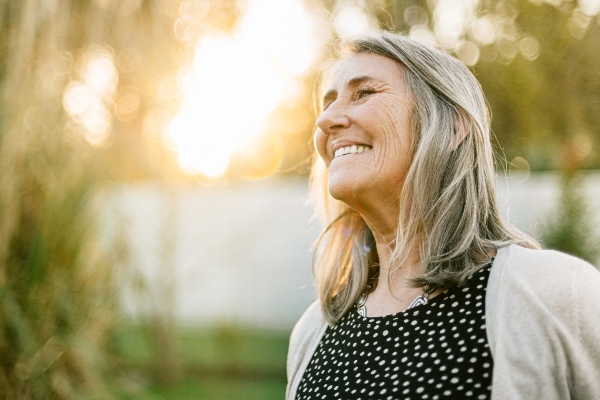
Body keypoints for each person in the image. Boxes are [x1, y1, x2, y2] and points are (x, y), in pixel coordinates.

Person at [286, 32, 600, 400]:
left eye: (364, 92)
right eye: (328, 102)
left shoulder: (555, 293)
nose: (326, 119)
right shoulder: (314, 331)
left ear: (451, 125)